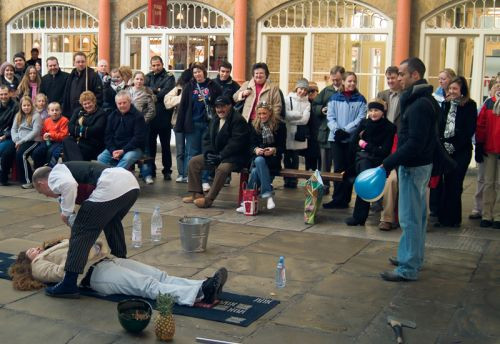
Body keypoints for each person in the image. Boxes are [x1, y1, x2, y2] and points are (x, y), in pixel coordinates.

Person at [31, 161, 140, 298]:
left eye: (43, 193)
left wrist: (66, 212)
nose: (47, 196)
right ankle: (120, 260)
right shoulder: (67, 172)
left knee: (81, 232)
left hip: (111, 186)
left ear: (41, 183)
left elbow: (69, 185)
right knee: (112, 223)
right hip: (130, 186)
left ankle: (69, 283)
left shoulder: (55, 173)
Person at [10, 238, 228, 305]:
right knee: (147, 286)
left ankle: (202, 286)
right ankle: (196, 295)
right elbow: (62, 272)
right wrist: (88, 251)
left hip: (108, 260)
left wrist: (92, 247)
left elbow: (93, 243)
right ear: (25, 260)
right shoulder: (38, 265)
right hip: (95, 275)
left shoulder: (51, 248)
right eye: (29, 251)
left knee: (158, 275)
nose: (34, 248)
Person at [380, 57, 438, 282]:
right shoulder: (421, 100)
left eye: (402, 74)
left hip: (414, 167)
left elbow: (414, 142)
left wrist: (389, 162)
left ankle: (408, 267)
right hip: (418, 165)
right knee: (417, 216)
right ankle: (412, 256)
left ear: (415, 75)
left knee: (410, 218)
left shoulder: (420, 104)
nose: (398, 78)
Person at [182, 95, 249, 208]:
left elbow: (236, 144)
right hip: (217, 154)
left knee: (222, 169)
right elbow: (207, 138)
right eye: (217, 107)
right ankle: (197, 194)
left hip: (234, 157)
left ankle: (208, 199)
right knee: (194, 162)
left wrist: (221, 156)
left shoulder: (238, 120)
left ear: (229, 106)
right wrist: (208, 153)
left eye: (223, 106)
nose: (219, 109)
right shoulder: (215, 118)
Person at [433, 77, 477, 228]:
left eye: (455, 89)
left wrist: (453, 145)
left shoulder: (470, 105)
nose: (451, 91)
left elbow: (468, 130)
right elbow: (440, 125)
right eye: (450, 89)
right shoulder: (445, 104)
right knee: (445, 183)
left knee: (455, 184)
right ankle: (443, 217)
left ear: (462, 91)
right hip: (445, 150)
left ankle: (453, 219)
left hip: (461, 151)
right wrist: (443, 145)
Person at [345, 99, 396, 226]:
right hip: (363, 159)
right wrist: (365, 148)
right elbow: (354, 143)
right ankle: (359, 217)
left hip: (380, 162)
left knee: (371, 176)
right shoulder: (364, 123)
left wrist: (365, 146)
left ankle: (384, 217)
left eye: (376, 110)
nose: (373, 113)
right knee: (365, 179)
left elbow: (384, 150)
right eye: (371, 110)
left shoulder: (389, 127)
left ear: (383, 112)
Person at [175, 62, 222, 192]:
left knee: (206, 153)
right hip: (193, 124)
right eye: (195, 72)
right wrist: (180, 126)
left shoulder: (213, 86)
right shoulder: (189, 87)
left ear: (204, 72)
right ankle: (193, 180)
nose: (197, 74)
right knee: (192, 153)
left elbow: (221, 101)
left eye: (199, 72)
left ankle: (205, 180)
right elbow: (183, 107)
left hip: (209, 124)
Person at [323, 71, 367, 209]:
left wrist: (346, 130)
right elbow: (330, 117)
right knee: (338, 168)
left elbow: (361, 118)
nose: (352, 83)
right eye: (349, 81)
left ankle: (346, 199)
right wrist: (337, 130)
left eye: (354, 81)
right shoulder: (334, 98)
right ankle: (337, 198)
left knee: (349, 169)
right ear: (343, 82)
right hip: (336, 138)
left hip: (351, 139)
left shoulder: (361, 99)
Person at [237, 101, 286, 212]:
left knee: (255, 171)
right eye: (259, 114)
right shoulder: (254, 125)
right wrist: (256, 149)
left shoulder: (280, 125)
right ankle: (267, 195)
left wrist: (273, 150)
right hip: (258, 158)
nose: (262, 116)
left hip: (273, 160)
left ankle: (246, 202)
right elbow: (249, 145)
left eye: (264, 113)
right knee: (259, 160)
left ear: (270, 112)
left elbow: (283, 147)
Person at [470, 78, 500, 220]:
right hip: (490, 149)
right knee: (488, 182)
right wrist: (480, 144)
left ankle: (498, 215)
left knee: (499, 184)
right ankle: (487, 215)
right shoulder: (489, 103)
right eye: (498, 85)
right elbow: (481, 125)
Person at [312, 65, 345, 194]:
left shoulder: (347, 90)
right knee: (324, 163)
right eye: (333, 80)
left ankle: (339, 189)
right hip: (326, 132)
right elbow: (315, 105)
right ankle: (324, 187)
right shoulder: (326, 91)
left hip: (341, 131)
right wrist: (321, 109)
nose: (335, 82)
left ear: (343, 78)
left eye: (338, 80)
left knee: (339, 163)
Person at [377, 66, 403, 231]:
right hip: (385, 139)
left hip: (401, 137)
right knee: (386, 176)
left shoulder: (406, 95)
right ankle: (381, 208)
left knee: (394, 179)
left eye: (393, 78)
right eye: (388, 79)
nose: (391, 81)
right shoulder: (382, 95)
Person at [145, 56, 176, 181]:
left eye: (158, 65)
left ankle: (167, 171)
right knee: (150, 146)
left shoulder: (169, 77)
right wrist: (156, 90)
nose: (156, 67)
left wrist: (155, 92)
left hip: (164, 117)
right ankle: (151, 170)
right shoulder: (147, 76)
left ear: (163, 64)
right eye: (153, 65)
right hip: (151, 118)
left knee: (165, 146)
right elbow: (145, 91)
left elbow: (166, 93)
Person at [97, 91, 146, 169]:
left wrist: (123, 150)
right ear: (116, 104)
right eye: (119, 103)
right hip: (115, 148)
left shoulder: (138, 116)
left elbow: (138, 138)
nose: (122, 105)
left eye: (124, 103)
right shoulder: (112, 116)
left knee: (127, 159)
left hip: (133, 148)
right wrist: (112, 150)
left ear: (130, 102)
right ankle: (107, 177)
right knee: (101, 158)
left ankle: (115, 177)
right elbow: (108, 136)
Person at [165, 69, 192, 183]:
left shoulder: (196, 88)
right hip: (178, 123)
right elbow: (167, 101)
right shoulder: (178, 89)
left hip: (191, 123)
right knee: (180, 150)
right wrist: (182, 98)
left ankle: (188, 174)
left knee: (190, 151)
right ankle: (181, 173)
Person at [129, 71, 156, 184]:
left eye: (141, 79)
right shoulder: (126, 92)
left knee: (145, 150)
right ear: (133, 80)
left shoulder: (147, 94)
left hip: (142, 128)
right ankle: (128, 175)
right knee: (128, 150)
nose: (139, 81)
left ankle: (147, 174)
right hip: (128, 127)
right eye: (137, 79)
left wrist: (143, 121)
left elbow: (152, 110)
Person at [63, 91, 107, 161]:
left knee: (70, 151)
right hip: (78, 140)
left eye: (89, 103)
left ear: (94, 102)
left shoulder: (101, 113)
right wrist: (84, 130)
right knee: (66, 140)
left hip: (92, 143)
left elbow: (94, 130)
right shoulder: (78, 111)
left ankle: (75, 166)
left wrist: (77, 130)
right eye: (85, 104)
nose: (87, 106)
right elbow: (70, 127)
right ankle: (76, 164)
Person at [283, 78, 311, 188]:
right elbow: (285, 115)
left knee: (295, 157)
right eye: (301, 88)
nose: (302, 91)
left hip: (298, 133)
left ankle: (293, 180)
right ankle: (286, 179)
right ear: (296, 88)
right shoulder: (287, 99)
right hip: (288, 132)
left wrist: (292, 117)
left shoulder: (307, 103)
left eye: (305, 89)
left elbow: (305, 120)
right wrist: (298, 114)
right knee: (286, 157)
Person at [11, 96, 42, 189]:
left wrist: (21, 141)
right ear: (21, 106)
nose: (26, 107)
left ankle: (28, 181)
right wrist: (16, 140)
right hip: (19, 141)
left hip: (33, 140)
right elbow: (14, 129)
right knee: (8, 152)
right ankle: (12, 177)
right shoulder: (18, 115)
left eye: (28, 105)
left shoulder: (36, 115)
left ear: (31, 106)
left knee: (22, 155)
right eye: (24, 105)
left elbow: (35, 131)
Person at [62, 52, 103, 118]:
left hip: (87, 113)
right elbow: (66, 94)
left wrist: (92, 109)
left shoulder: (93, 76)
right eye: (78, 62)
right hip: (72, 113)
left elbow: (99, 95)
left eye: (83, 62)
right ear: (74, 63)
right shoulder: (71, 76)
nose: (81, 64)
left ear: (86, 62)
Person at [32, 102, 69, 168]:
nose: (55, 112)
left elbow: (64, 135)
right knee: (36, 152)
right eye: (52, 110)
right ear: (48, 112)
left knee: (52, 153)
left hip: (59, 142)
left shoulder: (64, 120)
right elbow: (43, 132)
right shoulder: (47, 121)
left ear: (60, 111)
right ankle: (39, 170)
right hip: (48, 141)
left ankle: (50, 170)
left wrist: (51, 135)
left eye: (57, 110)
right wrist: (44, 137)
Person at [0, 85, 18, 185]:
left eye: (5, 94)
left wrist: (4, 136)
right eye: (1, 94)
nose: (3, 96)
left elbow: (15, 126)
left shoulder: (15, 107)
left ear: (10, 94)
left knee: (5, 152)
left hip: (11, 136)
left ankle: (3, 178)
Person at [303, 81, 320, 171]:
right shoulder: (305, 103)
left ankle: (319, 182)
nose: (310, 93)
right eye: (308, 91)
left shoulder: (321, 102)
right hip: (309, 136)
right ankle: (310, 183)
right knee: (309, 162)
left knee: (320, 162)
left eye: (313, 91)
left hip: (319, 135)